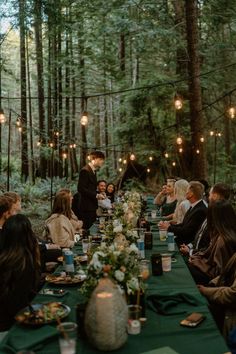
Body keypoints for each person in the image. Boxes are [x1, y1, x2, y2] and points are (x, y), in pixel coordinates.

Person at [0, 214, 41, 331]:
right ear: (28, 235)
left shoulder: (7, 257)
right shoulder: (23, 262)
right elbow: (17, 304)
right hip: (9, 327)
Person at [188, 200, 236, 285]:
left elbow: (218, 272)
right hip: (213, 274)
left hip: (216, 281)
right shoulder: (222, 233)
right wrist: (195, 258)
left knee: (188, 270)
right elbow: (208, 254)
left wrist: (196, 262)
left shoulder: (222, 240)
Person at [180, 182, 231, 256]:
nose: (208, 197)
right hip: (195, 253)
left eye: (210, 194)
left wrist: (190, 252)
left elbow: (210, 247)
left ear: (215, 196)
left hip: (201, 259)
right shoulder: (211, 211)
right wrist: (189, 246)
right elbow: (200, 235)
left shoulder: (220, 218)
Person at [198, 253, 236, 338]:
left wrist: (206, 290)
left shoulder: (222, 240)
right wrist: (212, 285)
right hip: (223, 295)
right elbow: (226, 273)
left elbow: (232, 296)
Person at [159, 181, 207, 245]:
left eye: (187, 190)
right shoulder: (194, 206)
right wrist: (169, 226)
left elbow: (187, 232)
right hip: (182, 239)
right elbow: (183, 225)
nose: (185, 192)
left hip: (186, 244)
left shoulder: (200, 210)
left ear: (191, 194)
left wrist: (169, 228)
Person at [77, 150, 105, 229]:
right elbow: (81, 188)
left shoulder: (93, 171)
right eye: (101, 159)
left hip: (91, 206)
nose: (102, 162)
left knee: (92, 229)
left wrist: (99, 193)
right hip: (86, 207)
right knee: (88, 230)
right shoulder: (85, 171)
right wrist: (96, 195)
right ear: (94, 159)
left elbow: (90, 188)